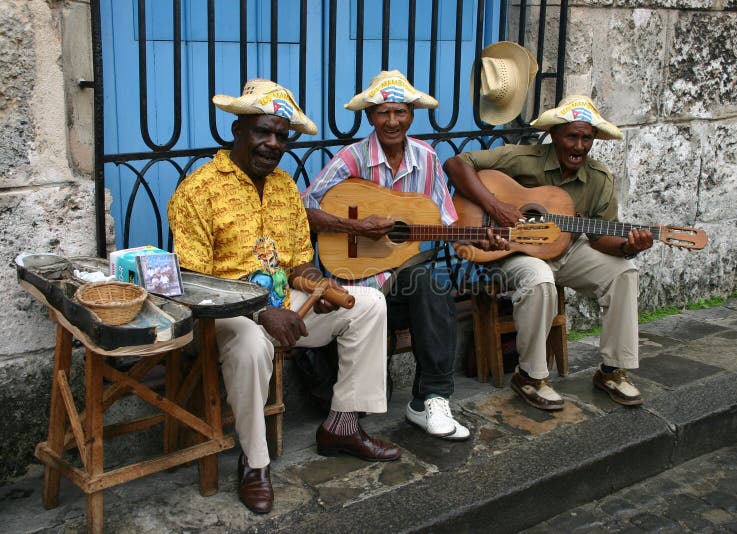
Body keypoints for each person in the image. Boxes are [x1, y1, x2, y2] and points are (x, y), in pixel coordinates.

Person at [168, 79, 400, 515]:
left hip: (284, 306)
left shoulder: (284, 187)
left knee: (369, 303)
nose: (272, 143)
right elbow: (195, 281)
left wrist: (318, 287)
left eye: (281, 135)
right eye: (262, 132)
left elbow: (297, 263)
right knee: (254, 341)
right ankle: (255, 463)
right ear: (238, 131)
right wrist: (261, 312)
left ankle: (342, 424)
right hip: (226, 315)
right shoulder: (198, 191)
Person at [303, 70, 505, 441]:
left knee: (431, 281)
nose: (392, 121)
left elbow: (446, 226)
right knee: (424, 285)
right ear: (370, 117)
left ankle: (431, 399)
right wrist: (356, 227)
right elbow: (304, 211)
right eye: (383, 113)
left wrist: (480, 242)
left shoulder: (427, 158)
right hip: (356, 286)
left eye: (400, 112)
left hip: (403, 283)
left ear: (412, 114)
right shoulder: (352, 159)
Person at [444, 95, 654, 410]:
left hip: (567, 251)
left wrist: (628, 246)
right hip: (515, 252)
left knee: (623, 271)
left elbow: (599, 238)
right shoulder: (524, 159)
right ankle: (529, 377)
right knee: (540, 279)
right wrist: (495, 205)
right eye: (572, 136)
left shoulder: (598, 179)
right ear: (555, 134)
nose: (579, 146)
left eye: (587, 138)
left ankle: (612, 371)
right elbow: (456, 164)